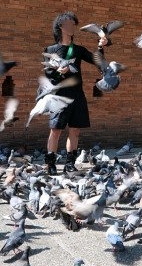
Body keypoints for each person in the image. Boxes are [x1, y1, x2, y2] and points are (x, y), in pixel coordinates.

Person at [42, 11, 108, 175]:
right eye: (69, 23)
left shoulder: (78, 50)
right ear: (60, 26)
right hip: (60, 95)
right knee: (56, 130)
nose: (72, 26)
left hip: (77, 94)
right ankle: (50, 162)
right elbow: (48, 73)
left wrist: (100, 46)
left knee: (75, 130)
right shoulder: (51, 50)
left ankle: (70, 163)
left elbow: (96, 61)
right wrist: (59, 70)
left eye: (74, 23)